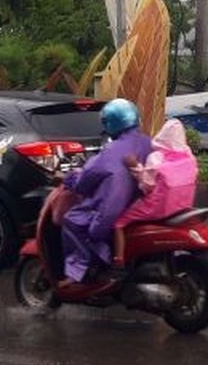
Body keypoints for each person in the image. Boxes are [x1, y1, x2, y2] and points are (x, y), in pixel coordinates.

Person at [59, 98, 152, 285]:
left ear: (113, 122)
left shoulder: (110, 151)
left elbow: (84, 182)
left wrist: (68, 177)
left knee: (71, 220)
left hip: (111, 213)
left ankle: (78, 272)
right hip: (140, 208)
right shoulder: (148, 143)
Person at [112, 118, 200, 265]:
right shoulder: (189, 157)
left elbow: (147, 185)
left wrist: (135, 166)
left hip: (158, 208)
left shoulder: (157, 158)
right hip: (183, 206)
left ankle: (118, 261)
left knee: (118, 224)